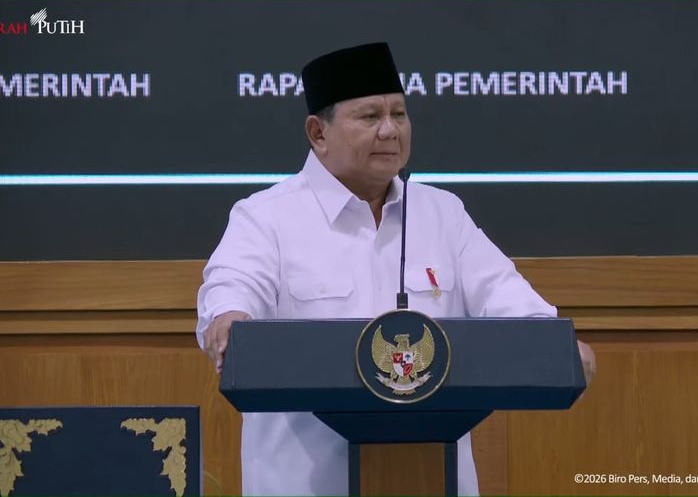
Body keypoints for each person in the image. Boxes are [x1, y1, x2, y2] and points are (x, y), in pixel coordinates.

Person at [197, 42, 596, 496]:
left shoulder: (442, 213)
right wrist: (228, 318)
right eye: (370, 117)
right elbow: (232, 287)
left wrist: (556, 347)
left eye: (399, 114)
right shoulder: (265, 216)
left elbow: (507, 296)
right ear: (318, 133)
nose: (390, 130)